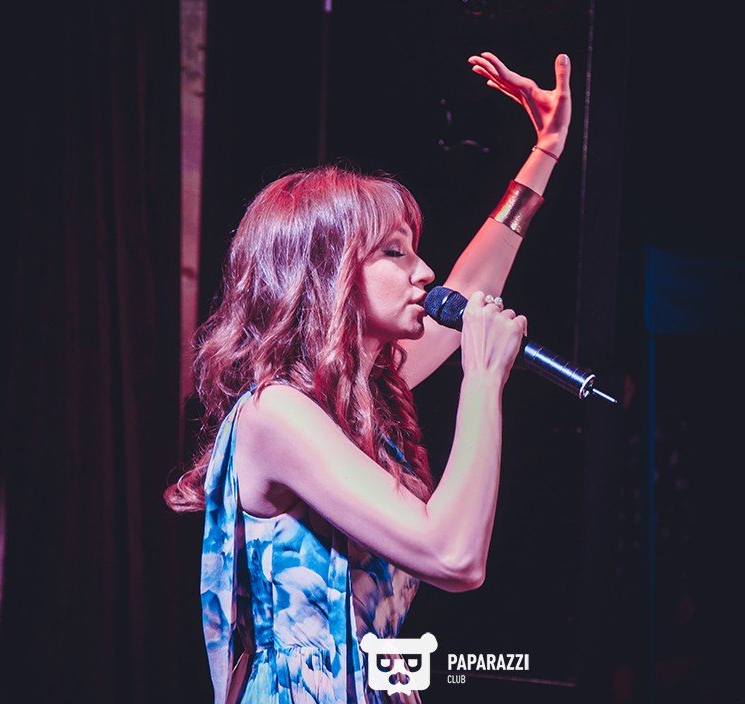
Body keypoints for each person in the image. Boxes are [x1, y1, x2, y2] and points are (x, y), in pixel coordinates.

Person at [165, 51, 571, 704]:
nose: (424, 273)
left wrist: (544, 153)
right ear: (325, 272)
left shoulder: (361, 396)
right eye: (394, 252)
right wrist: (481, 380)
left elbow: (469, 284)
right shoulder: (276, 413)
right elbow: (453, 556)